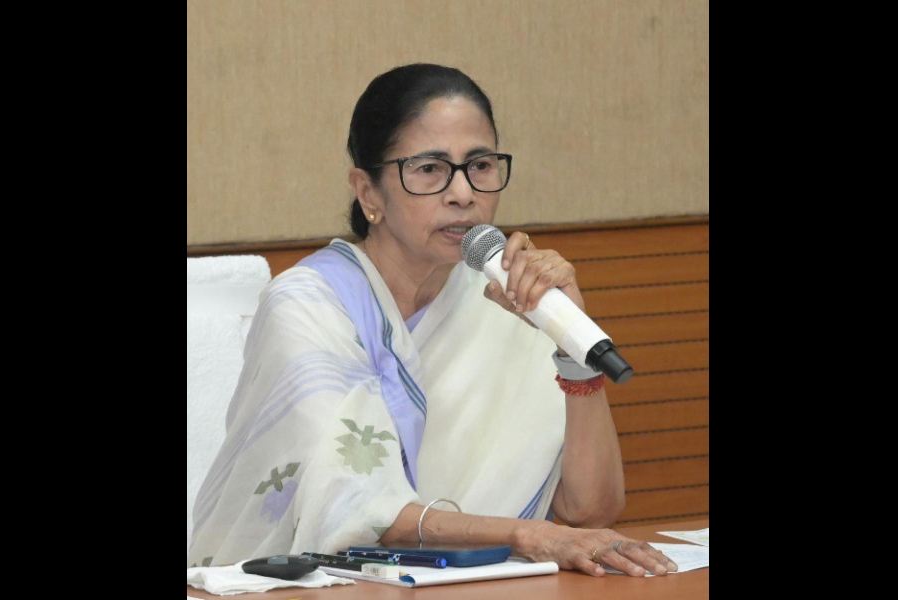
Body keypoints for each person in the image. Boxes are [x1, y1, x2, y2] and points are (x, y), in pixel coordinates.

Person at [189, 63, 678, 577]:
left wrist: (570, 344)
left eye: (481, 165)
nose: (463, 193)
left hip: (479, 585)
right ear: (369, 193)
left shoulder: (509, 299)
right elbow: (358, 510)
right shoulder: (307, 306)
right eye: (430, 169)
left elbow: (590, 512)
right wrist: (527, 535)